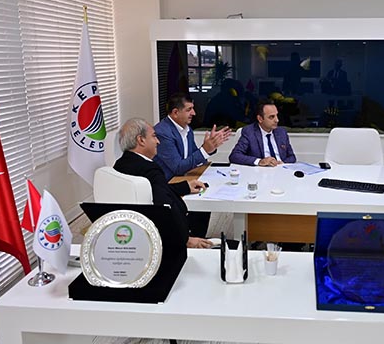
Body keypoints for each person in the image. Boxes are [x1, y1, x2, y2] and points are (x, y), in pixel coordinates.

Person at [113, 118, 213, 248]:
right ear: (141, 140)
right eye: (154, 136)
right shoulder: (150, 169)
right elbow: (165, 208)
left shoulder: (120, 164)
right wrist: (186, 239)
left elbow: (152, 189)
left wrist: (185, 186)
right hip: (169, 241)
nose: (158, 141)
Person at [154, 93, 231, 237]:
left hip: (185, 178)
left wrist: (210, 147)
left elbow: (194, 156)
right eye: (189, 109)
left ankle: (197, 237)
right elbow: (178, 167)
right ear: (175, 112)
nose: (194, 113)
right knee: (203, 198)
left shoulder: (187, 129)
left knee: (207, 194)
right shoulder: (163, 133)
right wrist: (205, 150)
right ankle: (190, 238)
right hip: (169, 184)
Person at [229, 100, 297, 166]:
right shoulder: (249, 132)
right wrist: (260, 161)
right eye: (271, 117)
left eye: (277, 115)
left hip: (281, 169)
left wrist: (283, 163)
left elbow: (292, 157)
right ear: (260, 119)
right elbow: (235, 156)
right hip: (260, 171)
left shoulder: (282, 132)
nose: (277, 120)